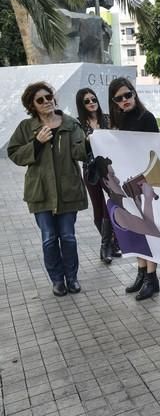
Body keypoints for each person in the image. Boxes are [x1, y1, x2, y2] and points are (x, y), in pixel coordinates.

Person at [8, 82, 88, 296]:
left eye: (49, 96)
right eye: (40, 100)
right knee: (49, 238)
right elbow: (14, 154)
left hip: (67, 191)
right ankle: (57, 281)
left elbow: (80, 153)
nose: (47, 101)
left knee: (68, 237)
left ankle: (72, 278)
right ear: (32, 105)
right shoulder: (26, 128)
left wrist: (89, 143)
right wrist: (36, 142)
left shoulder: (70, 124)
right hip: (40, 193)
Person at [108, 77, 160, 300]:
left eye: (128, 95)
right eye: (119, 98)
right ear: (114, 101)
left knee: (148, 227)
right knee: (135, 228)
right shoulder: (117, 121)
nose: (125, 100)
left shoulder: (146, 117)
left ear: (134, 93)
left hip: (143, 180)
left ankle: (152, 277)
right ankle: (141, 272)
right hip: (128, 181)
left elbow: (155, 148)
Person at [75, 87, 120, 264]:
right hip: (90, 170)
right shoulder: (78, 124)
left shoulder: (108, 119)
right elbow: (78, 148)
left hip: (108, 169)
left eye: (93, 99)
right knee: (98, 208)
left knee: (110, 205)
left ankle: (106, 246)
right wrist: (86, 141)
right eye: (87, 101)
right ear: (81, 104)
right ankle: (110, 243)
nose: (91, 103)